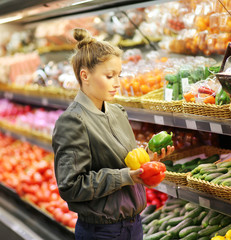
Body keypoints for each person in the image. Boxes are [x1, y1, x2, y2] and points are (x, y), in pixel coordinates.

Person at [52, 28, 174, 240]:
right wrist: (126, 176)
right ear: (85, 75)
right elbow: (71, 186)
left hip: (134, 224)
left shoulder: (117, 111)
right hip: (102, 232)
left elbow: (125, 161)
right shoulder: (73, 121)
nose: (117, 83)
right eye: (109, 76)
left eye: (119, 75)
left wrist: (147, 163)